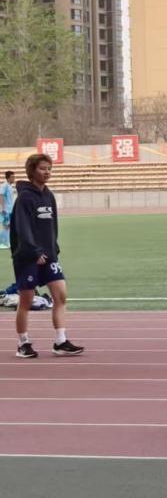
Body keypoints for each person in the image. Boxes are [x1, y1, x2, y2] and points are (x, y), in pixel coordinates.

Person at [10, 154, 83, 359]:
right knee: (26, 301)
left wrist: (53, 248)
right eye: (43, 168)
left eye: (49, 168)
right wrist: (34, 251)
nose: (47, 172)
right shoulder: (24, 198)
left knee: (60, 295)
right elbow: (23, 228)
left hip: (49, 255)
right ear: (32, 171)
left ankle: (60, 341)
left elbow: (52, 226)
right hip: (27, 257)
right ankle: (23, 343)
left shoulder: (48, 195)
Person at [1, 170, 15, 250]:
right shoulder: (4, 185)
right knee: (6, 226)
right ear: (8, 178)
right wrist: (3, 208)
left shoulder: (10, 186)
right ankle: (6, 243)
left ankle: (7, 242)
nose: (14, 178)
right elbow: (1, 196)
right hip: (6, 210)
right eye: (12, 177)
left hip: (10, 209)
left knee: (9, 226)